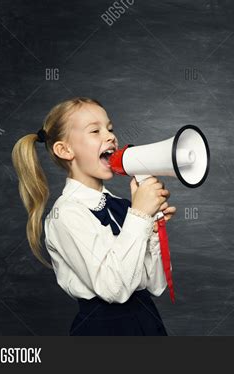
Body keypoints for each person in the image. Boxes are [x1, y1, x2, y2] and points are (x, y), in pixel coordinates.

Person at [11, 97, 176, 335]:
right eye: (95, 131)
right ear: (65, 150)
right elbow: (114, 290)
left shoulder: (122, 206)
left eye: (109, 128)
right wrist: (140, 215)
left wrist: (150, 230)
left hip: (148, 323)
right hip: (105, 329)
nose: (110, 136)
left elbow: (156, 285)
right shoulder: (65, 214)